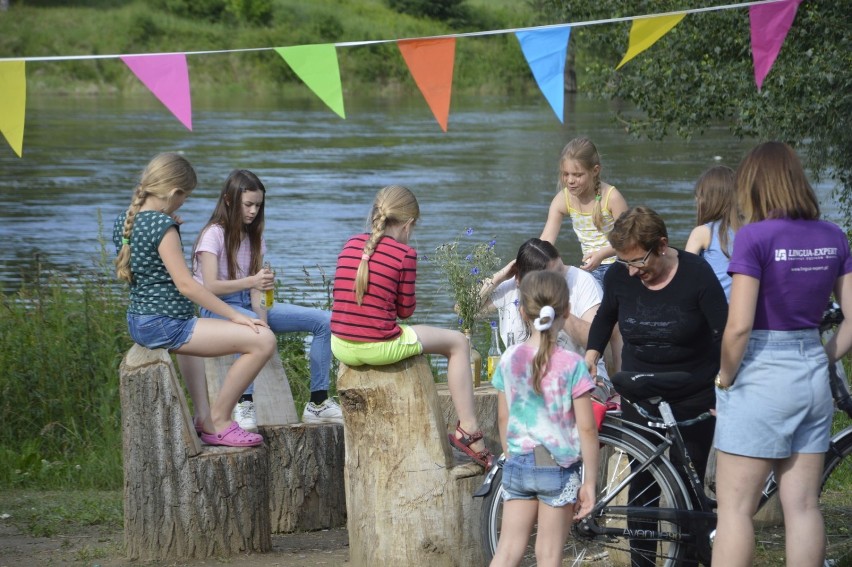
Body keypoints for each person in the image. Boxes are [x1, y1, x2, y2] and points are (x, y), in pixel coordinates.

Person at [712, 142, 852, 567]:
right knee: (804, 507)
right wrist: (821, 356)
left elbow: (738, 326)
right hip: (810, 374)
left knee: (735, 510)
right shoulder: (833, 235)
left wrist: (724, 377)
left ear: (754, 185)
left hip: (760, 373)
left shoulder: (753, 237)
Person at [584, 206, 727, 566]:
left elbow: (724, 332)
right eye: (625, 262)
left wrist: (725, 384)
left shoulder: (696, 274)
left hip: (692, 391)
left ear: (662, 245)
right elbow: (605, 316)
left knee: (690, 485)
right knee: (643, 482)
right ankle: (642, 562)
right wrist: (591, 353)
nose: (632, 271)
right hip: (640, 388)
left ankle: (690, 560)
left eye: (638, 261)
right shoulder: (621, 275)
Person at [113, 152, 276, 447]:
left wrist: (168, 222)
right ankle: (222, 420)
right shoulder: (163, 228)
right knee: (263, 340)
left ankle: (204, 418)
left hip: (141, 321)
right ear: (174, 192)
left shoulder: (127, 222)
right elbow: (188, 286)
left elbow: (151, 266)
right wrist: (236, 316)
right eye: (184, 197)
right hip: (165, 324)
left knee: (192, 338)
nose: (183, 203)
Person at [330, 184, 493, 468]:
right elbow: (405, 311)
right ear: (408, 224)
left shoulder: (350, 243)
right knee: (458, 343)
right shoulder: (404, 255)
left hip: (340, 344)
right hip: (376, 347)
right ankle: (469, 430)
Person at [192, 169, 341, 430]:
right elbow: (211, 286)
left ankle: (318, 402)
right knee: (250, 323)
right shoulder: (212, 234)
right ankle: (244, 402)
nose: (253, 211)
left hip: (248, 304)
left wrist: (264, 324)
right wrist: (252, 284)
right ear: (229, 200)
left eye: (258, 205)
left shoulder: (255, 237)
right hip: (216, 309)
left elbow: (258, 291)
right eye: (247, 204)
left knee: (324, 321)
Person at [489, 270, 598, 567]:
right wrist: (590, 481)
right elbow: (587, 428)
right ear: (566, 311)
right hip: (558, 468)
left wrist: (512, 454)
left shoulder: (509, 358)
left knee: (507, 551)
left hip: (518, 464)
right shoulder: (573, 365)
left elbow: (503, 417)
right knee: (548, 556)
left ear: (522, 311)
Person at [480, 237, 612, 383]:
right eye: (553, 276)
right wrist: (499, 277)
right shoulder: (512, 286)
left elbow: (597, 340)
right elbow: (465, 310)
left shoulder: (582, 281)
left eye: (561, 269)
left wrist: (557, 310)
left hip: (585, 378)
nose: (562, 278)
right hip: (529, 379)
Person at [540, 136, 628, 288]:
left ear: (595, 170)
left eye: (577, 175)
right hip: (589, 269)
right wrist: (528, 261)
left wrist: (601, 255)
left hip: (619, 265)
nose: (570, 181)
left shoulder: (611, 197)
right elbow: (546, 240)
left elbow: (629, 240)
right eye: (565, 174)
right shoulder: (563, 199)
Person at [685, 165, 739, 300]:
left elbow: (684, 277)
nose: (696, 201)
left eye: (699, 196)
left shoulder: (702, 233)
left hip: (715, 312)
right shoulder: (750, 229)